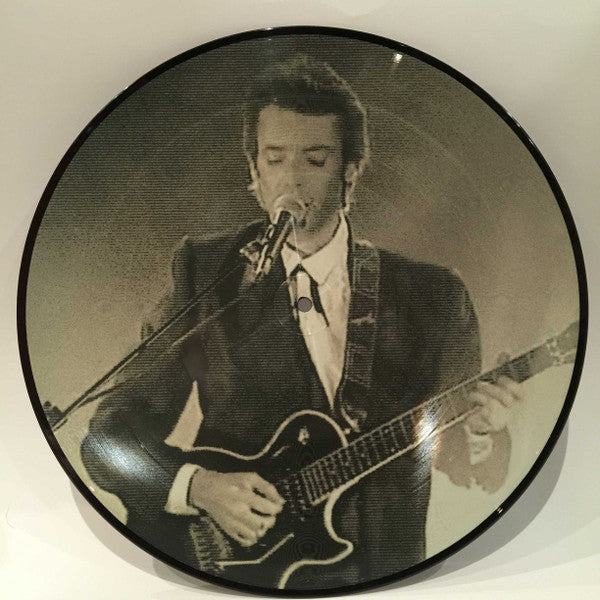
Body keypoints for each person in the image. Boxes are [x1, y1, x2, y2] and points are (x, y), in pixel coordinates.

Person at [81, 53, 522, 589]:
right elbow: (111, 434)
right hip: (237, 574)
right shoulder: (208, 272)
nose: (291, 179)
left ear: (351, 171)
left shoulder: (434, 297)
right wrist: (199, 487)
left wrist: (481, 431)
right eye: (274, 159)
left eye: (315, 160)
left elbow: (466, 467)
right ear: (254, 171)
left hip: (384, 575)